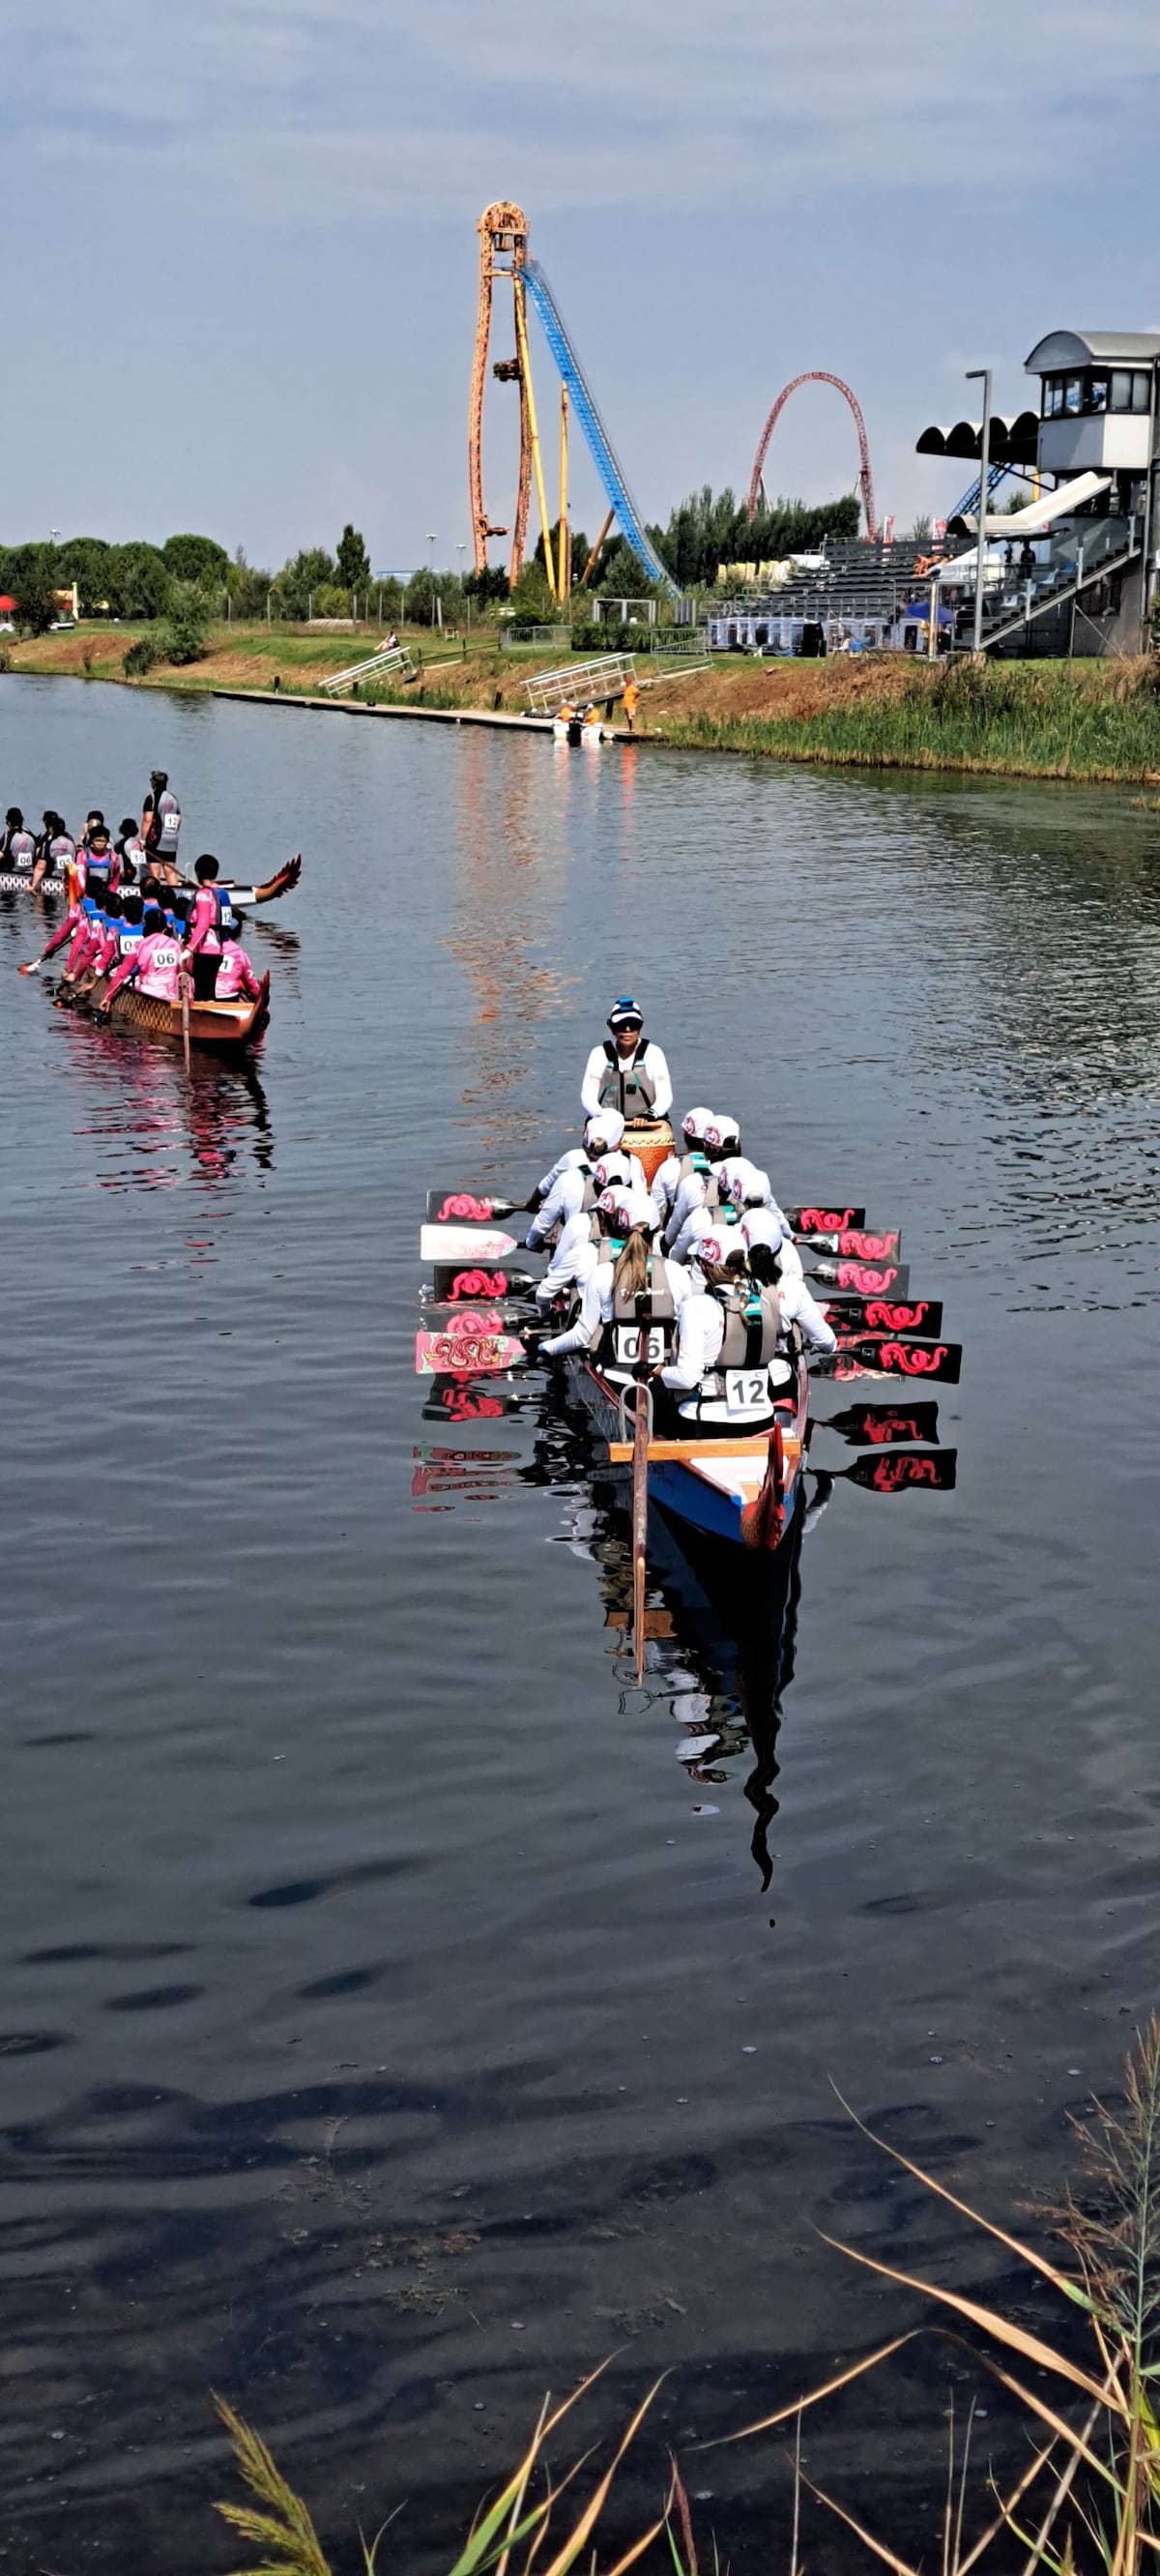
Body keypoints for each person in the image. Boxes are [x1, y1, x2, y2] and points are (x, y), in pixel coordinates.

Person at [660, 1237, 835, 1406]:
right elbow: (827, 1342)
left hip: (707, 1416)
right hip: (765, 1409)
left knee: (658, 1393)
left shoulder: (695, 1307)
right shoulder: (764, 1303)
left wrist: (657, 1371)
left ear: (704, 1267)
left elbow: (687, 1377)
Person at [539, 1194, 691, 1361]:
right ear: (658, 1228)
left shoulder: (602, 1273)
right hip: (664, 1375)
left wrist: (544, 1347)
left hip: (614, 1374)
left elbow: (581, 1336)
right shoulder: (678, 1273)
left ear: (619, 1228)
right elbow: (688, 1334)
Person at [525, 1110, 629, 1248]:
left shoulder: (571, 1165)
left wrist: (531, 1243)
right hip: (620, 1254)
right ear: (618, 1143)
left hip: (576, 1253)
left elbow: (541, 1225)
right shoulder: (632, 1164)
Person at [580, 998, 672, 1126]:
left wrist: (649, 1114)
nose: (628, 1029)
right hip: (605, 1124)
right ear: (612, 1029)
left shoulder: (654, 1054)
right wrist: (600, 1115)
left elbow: (665, 1097)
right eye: (621, 1025)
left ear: (640, 1028)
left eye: (633, 1024)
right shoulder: (599, 1054)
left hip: (647, 1123)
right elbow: (588, 1096)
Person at [97, 904, 185, 1012]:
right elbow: (181, 973)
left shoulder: (139, 946)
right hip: (172, 996)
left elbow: (121, 975)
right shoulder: (175, 945)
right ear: (164, 927)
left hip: (148, 995)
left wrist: (107, 997)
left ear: (145, 924)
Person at [182, 854, 240, 1001]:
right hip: (218, 950)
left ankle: (202, 1019)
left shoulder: (203, 895)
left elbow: (203, 924)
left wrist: (188, 949)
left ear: (198, 873)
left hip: (204, 951)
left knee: (201, 993)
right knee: (209, 992)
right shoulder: (223, 894)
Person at [140, 769, 182, 880]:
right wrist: (173, 832)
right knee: (171, 871)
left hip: (156, 840)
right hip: (172, 839)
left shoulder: (151, 798)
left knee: (155, 873)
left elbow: (147, 820)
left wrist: (142, 840)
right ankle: (174, 894)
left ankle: (156, 896)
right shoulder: (173, 798)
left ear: (153, 783)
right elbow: (178, 818)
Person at [214, 927, 264, 1005]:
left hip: (205, 995)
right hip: (229, 996)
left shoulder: (206, 946)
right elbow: (252, 982)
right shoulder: (238, 951)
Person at [1, 807, 36, 875]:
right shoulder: (29, 833)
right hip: (31, 873)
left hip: (13, 874)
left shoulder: (8, 835)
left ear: (9, 823)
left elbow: (1, 855)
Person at [115, 815, 148, 883]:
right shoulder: (142, 843)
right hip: (144, 875)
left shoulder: (121, 843)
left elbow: (115, 856)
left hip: (129, 876)